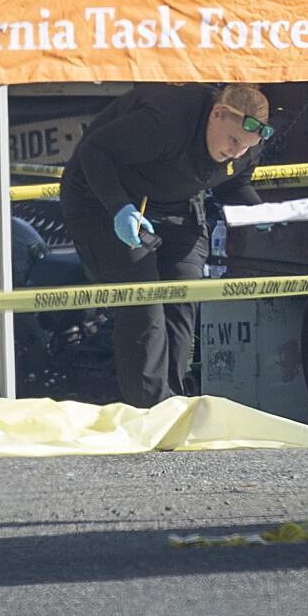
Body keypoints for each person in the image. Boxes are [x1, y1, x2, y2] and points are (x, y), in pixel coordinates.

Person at [60, 83, 272, 407]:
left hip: (177, 207)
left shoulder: (246, 149)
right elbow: (94, 151)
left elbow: (234, 181)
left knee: (182, 299)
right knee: (145, 307)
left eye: (246, 147)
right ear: (217, 114)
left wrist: (258, 210)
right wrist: (119, 207)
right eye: (233, 141)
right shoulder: (167, 120)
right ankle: (151, 410)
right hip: (103, 200)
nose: (236, 152)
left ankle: (172, 403)